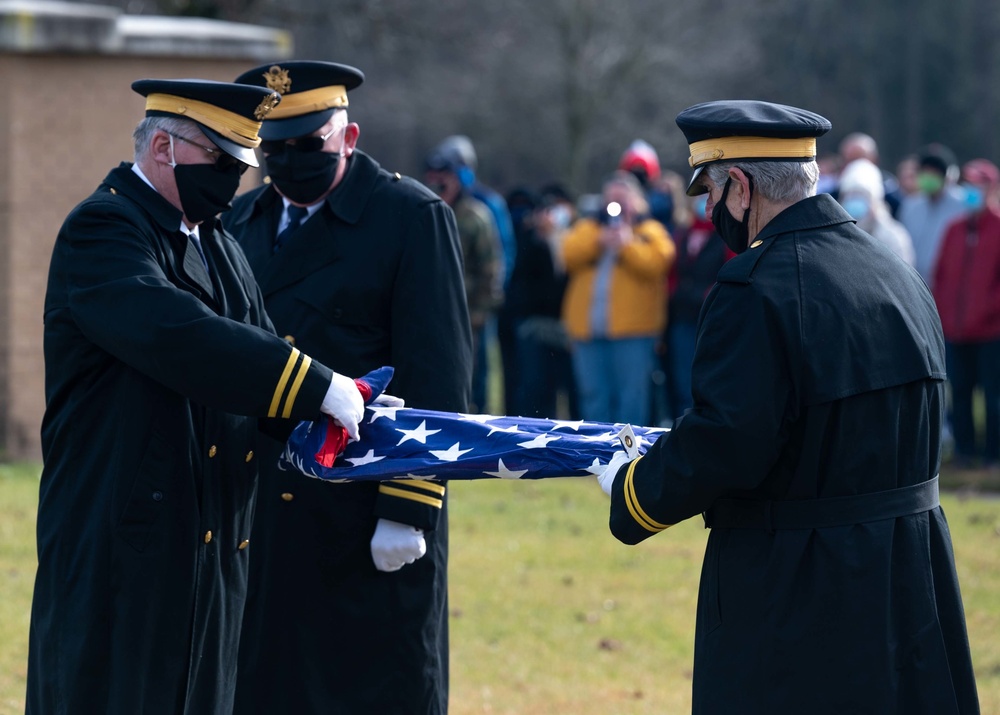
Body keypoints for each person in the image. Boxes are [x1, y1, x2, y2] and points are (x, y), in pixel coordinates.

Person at [597, 100, 979, 714]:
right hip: (910, 577)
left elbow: (728, 441)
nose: (708, 211)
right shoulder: (898, 275)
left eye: (713, 193)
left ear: (742, 188)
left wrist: (635, 489)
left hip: (800, 587)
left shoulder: (755, 288)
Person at [28, 78, 367, 715]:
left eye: (243, 164)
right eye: (223, 161)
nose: (237, 179)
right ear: (163, 146)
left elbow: (262, 372)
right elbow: (179, 337)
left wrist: (350, 419)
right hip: (124, 541)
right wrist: (314, 384)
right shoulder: (103, 231)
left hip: (209, 541)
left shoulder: (220, 245)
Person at [225, 61, 472, 715]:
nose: (290, 161)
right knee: (265, 682)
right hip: (266, 511)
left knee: (368, 682)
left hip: (364, 506)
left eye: (309, 145)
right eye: (273, 149)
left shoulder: (410, 217)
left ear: (349, 137)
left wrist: (410, 505)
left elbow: (438, 372)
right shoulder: (242, 220)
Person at [561, 170, 675, 425]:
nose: (617, 207)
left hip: (634, 334)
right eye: (611, 200)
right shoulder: (589, 228)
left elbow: (659, 262)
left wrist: (628, 245)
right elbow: (567, 255)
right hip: (588, 333)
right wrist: (598, 241)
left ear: (637, 201)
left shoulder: (649, 231)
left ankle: (628, 459)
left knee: (631, 399)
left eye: (623, 200)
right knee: (593, 397)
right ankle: (597, 455)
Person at [433, 134, 518, 413]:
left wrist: (485, 306)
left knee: (478, 374)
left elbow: (499, 257)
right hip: (445, 309)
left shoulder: (485, 205)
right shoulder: (436, 203)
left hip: (475, 309)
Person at [931, 158, 1000, 471]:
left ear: (991, 189)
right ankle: (964, 451)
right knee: (958, 393)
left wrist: (986, 312)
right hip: (955, 331)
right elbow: (942, 276)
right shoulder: (954, 230)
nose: (973, 191)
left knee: (993, 397)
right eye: (969, 185)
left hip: (990, 332)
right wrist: (945, 315)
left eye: (979, 185)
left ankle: (992, 455)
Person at [663, 191, 732, 421]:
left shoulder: (726, 235)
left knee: (709, 382)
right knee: (682, 382)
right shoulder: (682, 234)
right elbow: (672, 273)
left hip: (712, 320)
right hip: (683, 319)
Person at [897, 143, 968, 284]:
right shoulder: (910, 205)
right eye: (925, 171)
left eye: (934, 172)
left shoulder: (963, 204)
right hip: (914, 282)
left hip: (950, 283)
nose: (929, 176)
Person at [837, 157, 915, 266]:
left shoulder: (894, 237)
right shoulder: (836, 236)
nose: (855, 201)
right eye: (851, 195)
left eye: (862, 195)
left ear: (875, 200)